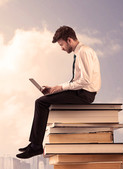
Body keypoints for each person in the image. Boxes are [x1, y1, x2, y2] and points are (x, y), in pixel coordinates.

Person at [16, 25, 101, 159]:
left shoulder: (84, 52)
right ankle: (34, 144)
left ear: (69, 40)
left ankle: (36, 146)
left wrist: (60, 88)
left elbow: (86, 80)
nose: (61, 48)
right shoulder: (79, 53)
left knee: (41, 103)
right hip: (80, 92)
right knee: (44, 99)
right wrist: (55, 89)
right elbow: (77, 80)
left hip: (84, 94)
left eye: (61, 44)